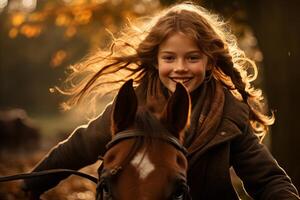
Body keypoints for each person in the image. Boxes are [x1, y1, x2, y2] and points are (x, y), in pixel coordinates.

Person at [23, 2, 299, 199]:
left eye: (192, 57)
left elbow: (267, 178)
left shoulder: (229, 114)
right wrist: (30, 186)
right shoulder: (132, 108)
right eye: (169, 58)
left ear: (209, 61)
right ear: (156, 60)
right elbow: (78, 146)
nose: (180, 68)